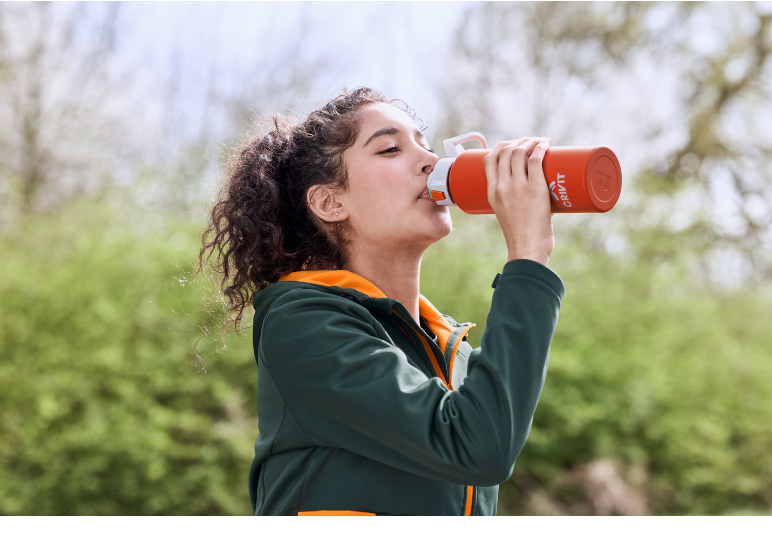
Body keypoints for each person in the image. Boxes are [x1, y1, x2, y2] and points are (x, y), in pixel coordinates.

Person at [199, 87, 564, 516]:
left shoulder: (455, 354)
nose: (430, 161)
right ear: (330, 202)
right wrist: (527, 256)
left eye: (426, 146)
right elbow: (479, 446)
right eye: (390, 149)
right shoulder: (303, 323)